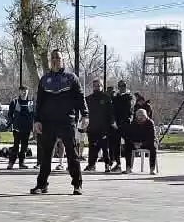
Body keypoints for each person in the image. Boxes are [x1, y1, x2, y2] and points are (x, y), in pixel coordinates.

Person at [31, 49, 88, 195]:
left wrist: (85, 115)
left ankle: (77, 184)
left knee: (72, 154)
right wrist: (37, 120)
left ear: (63, 60)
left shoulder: (71, 78)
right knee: (45, 155)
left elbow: (80, 97)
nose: (55, 60)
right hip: (48, 122)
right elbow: (40, 102)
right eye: (53, 58)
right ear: (50, 60)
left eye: (58, 57)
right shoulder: (44, 80)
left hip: (67, 121)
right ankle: (41, 185)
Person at [85, 78, 114, 172]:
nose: (97, 87)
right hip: (92, 127)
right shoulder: (88, 99)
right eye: (95, 86)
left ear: (102, 86)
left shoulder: (106, 98)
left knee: (105, 147)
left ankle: (107, 164)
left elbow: (110, 113)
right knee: (92, 147)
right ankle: (91, 165)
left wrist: (110, 125)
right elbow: (85, 113)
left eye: (99, 85)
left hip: (104, 128)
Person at [109, 80, 134, 174]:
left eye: (123, 86)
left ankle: (128, 166)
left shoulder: (130, 97)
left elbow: (130, 111)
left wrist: (128, 121)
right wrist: (113, 121)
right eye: (120, 86)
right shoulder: (116, 98)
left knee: (128, 145)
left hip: (126, 124)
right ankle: (118, 164)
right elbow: (113, 110)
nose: (122, 87)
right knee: (116, 145)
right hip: (117, 124)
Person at [7, 86, 34, 169]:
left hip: (27, 128)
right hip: (17, 128)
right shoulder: (15, 102)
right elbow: (10, 114)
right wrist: (12, 123)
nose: (24, 92)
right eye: (22, 91)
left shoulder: (31, 103)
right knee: (16, 146)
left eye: (26, 91)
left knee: (24, 147)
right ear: (19, 91)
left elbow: (33, 115)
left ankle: (21, 163)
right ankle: (11, 163)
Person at [124, 108, 157, 174]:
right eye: (139, 117)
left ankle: (152, 168)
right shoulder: (133, 123)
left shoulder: (150, 123)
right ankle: (128, 167)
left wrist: (142, 144)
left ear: (145, 116)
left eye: (142, 116)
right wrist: (134, 143)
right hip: (136, 142)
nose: (141, 118)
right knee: (127, 146)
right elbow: (129, 135)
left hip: (147, 142)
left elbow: (152, 137)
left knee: (153, 146)